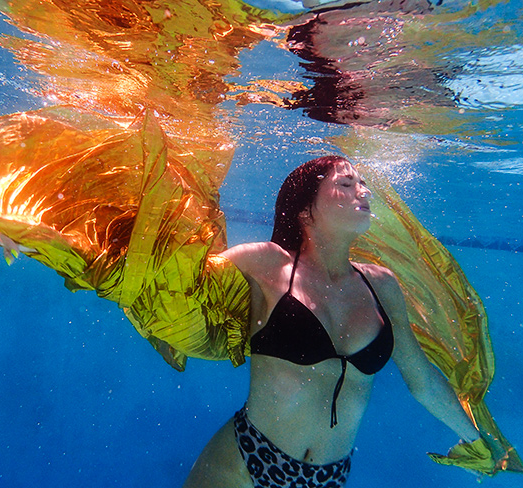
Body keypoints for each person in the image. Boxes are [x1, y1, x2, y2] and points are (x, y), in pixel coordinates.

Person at [183, 155, 482, 488]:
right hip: (244, 461)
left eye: (364, 185)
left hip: (329, 477)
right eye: (346, 184)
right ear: (305, 210)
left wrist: (475, 440)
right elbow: (177, 282)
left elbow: (421, 379)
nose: (364, 193)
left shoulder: (381, 285)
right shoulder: (265, 263)